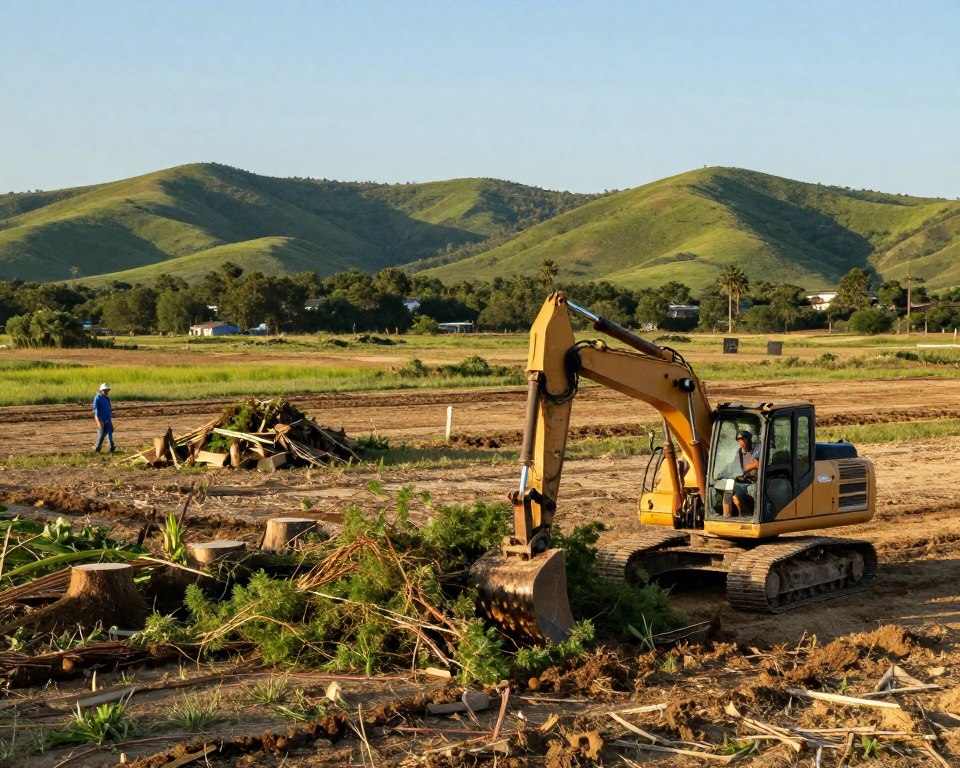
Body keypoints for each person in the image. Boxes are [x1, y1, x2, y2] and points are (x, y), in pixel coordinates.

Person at [723, 428, 759, 517]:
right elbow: (735, 464)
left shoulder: (758, 448)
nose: (740, 443)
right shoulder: (739, 451)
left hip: (756, 480)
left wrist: (743, 469)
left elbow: (758, 463)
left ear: (747, 439)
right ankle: (726, 515)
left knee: (751, 493)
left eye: (741, 440)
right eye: (739, 441)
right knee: (728, 490)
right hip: (742, 481)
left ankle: (747, 515)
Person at [93, 383, 116, 453]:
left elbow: (109, 408)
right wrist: (99, 421)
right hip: (101, 419)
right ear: (102, 390)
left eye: (107, 390)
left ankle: (111, 449)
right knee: (101, 435)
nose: (107, 391)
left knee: (109, 434)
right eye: (105, 390)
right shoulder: (98, 398)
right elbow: (95, 410)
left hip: (107, 419)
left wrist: (110, 418)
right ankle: (97, 449)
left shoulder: (107, 398)